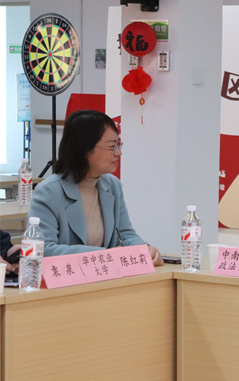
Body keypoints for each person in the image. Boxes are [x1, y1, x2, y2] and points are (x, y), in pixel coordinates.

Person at [28, 109, 163, 265]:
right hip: (70, 277)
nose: (118, 153)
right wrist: (106, 255)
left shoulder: (112, 185)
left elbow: (125, 234)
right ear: (85, 149)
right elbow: (43, 249)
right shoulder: (49, 191)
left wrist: (144, 249)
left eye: (119, 145)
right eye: (112, 147)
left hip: (105, 273)